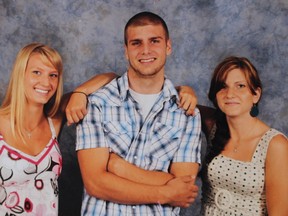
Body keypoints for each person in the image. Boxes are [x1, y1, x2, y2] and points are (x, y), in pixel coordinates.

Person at [75, 11, 202, 216]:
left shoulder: (187, 113)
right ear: (126, 51)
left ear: (168, 46)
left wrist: (119, 168)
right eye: (136, 43)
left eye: (154, 41)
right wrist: (164, 192)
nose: (145, 50)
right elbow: (95, 184)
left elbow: (183, 188)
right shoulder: (98, 103)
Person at [0, 42, 118, 215]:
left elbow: (112, 78)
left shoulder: (54, 121)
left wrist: (80, 93)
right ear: (20, 74)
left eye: (53, 75)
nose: (46, 82)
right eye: (37, 72)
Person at [200, 56, 288, 215]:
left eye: (240, 86)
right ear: (215, 94)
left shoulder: (275, 144)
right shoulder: (213, 126)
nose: (230, 94)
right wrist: (186, 91)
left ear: (256, 94)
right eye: (223, 86)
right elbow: (174, 97)